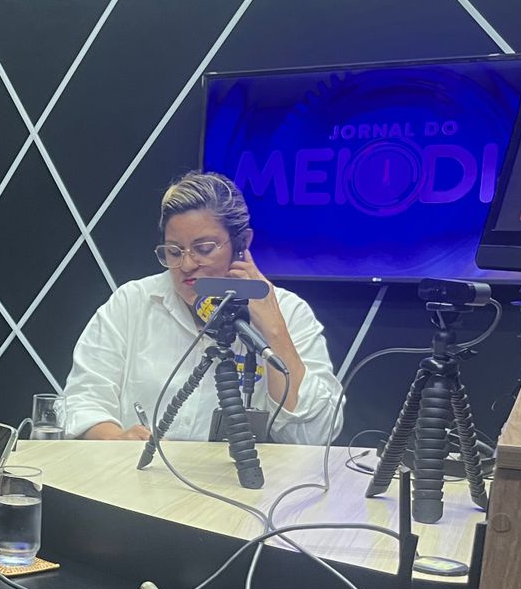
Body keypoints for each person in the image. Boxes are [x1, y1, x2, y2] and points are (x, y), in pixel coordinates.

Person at [61, 170, 343, 445]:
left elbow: (314, 437)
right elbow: (82, 400)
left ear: (242, 243)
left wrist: (274, 331)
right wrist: (116, 439)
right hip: (135, 473)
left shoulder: (289, 313)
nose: (186, 265)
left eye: (204, 249)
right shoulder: (131, 302)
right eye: (174, 251)